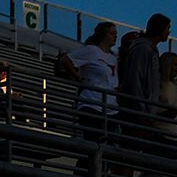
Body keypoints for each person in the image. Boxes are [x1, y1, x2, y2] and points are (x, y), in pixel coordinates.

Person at [62, 22, 121, 158]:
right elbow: (66, 60)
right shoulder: (92, 51)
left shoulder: (113, 58)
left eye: (115, 33)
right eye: (112, 33)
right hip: (92, 105)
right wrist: (78, 78)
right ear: (103, 35)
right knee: (93, 147)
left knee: (107, 151)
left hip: (111, 109)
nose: (115, 36)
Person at [118, 15, 169, 122]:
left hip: (145, 112)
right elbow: (136, 79)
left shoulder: (151, 50)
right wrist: (141, 111)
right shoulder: (143, 49)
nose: (169, 32)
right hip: (137, 113)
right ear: (160, 29)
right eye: (167, 28)